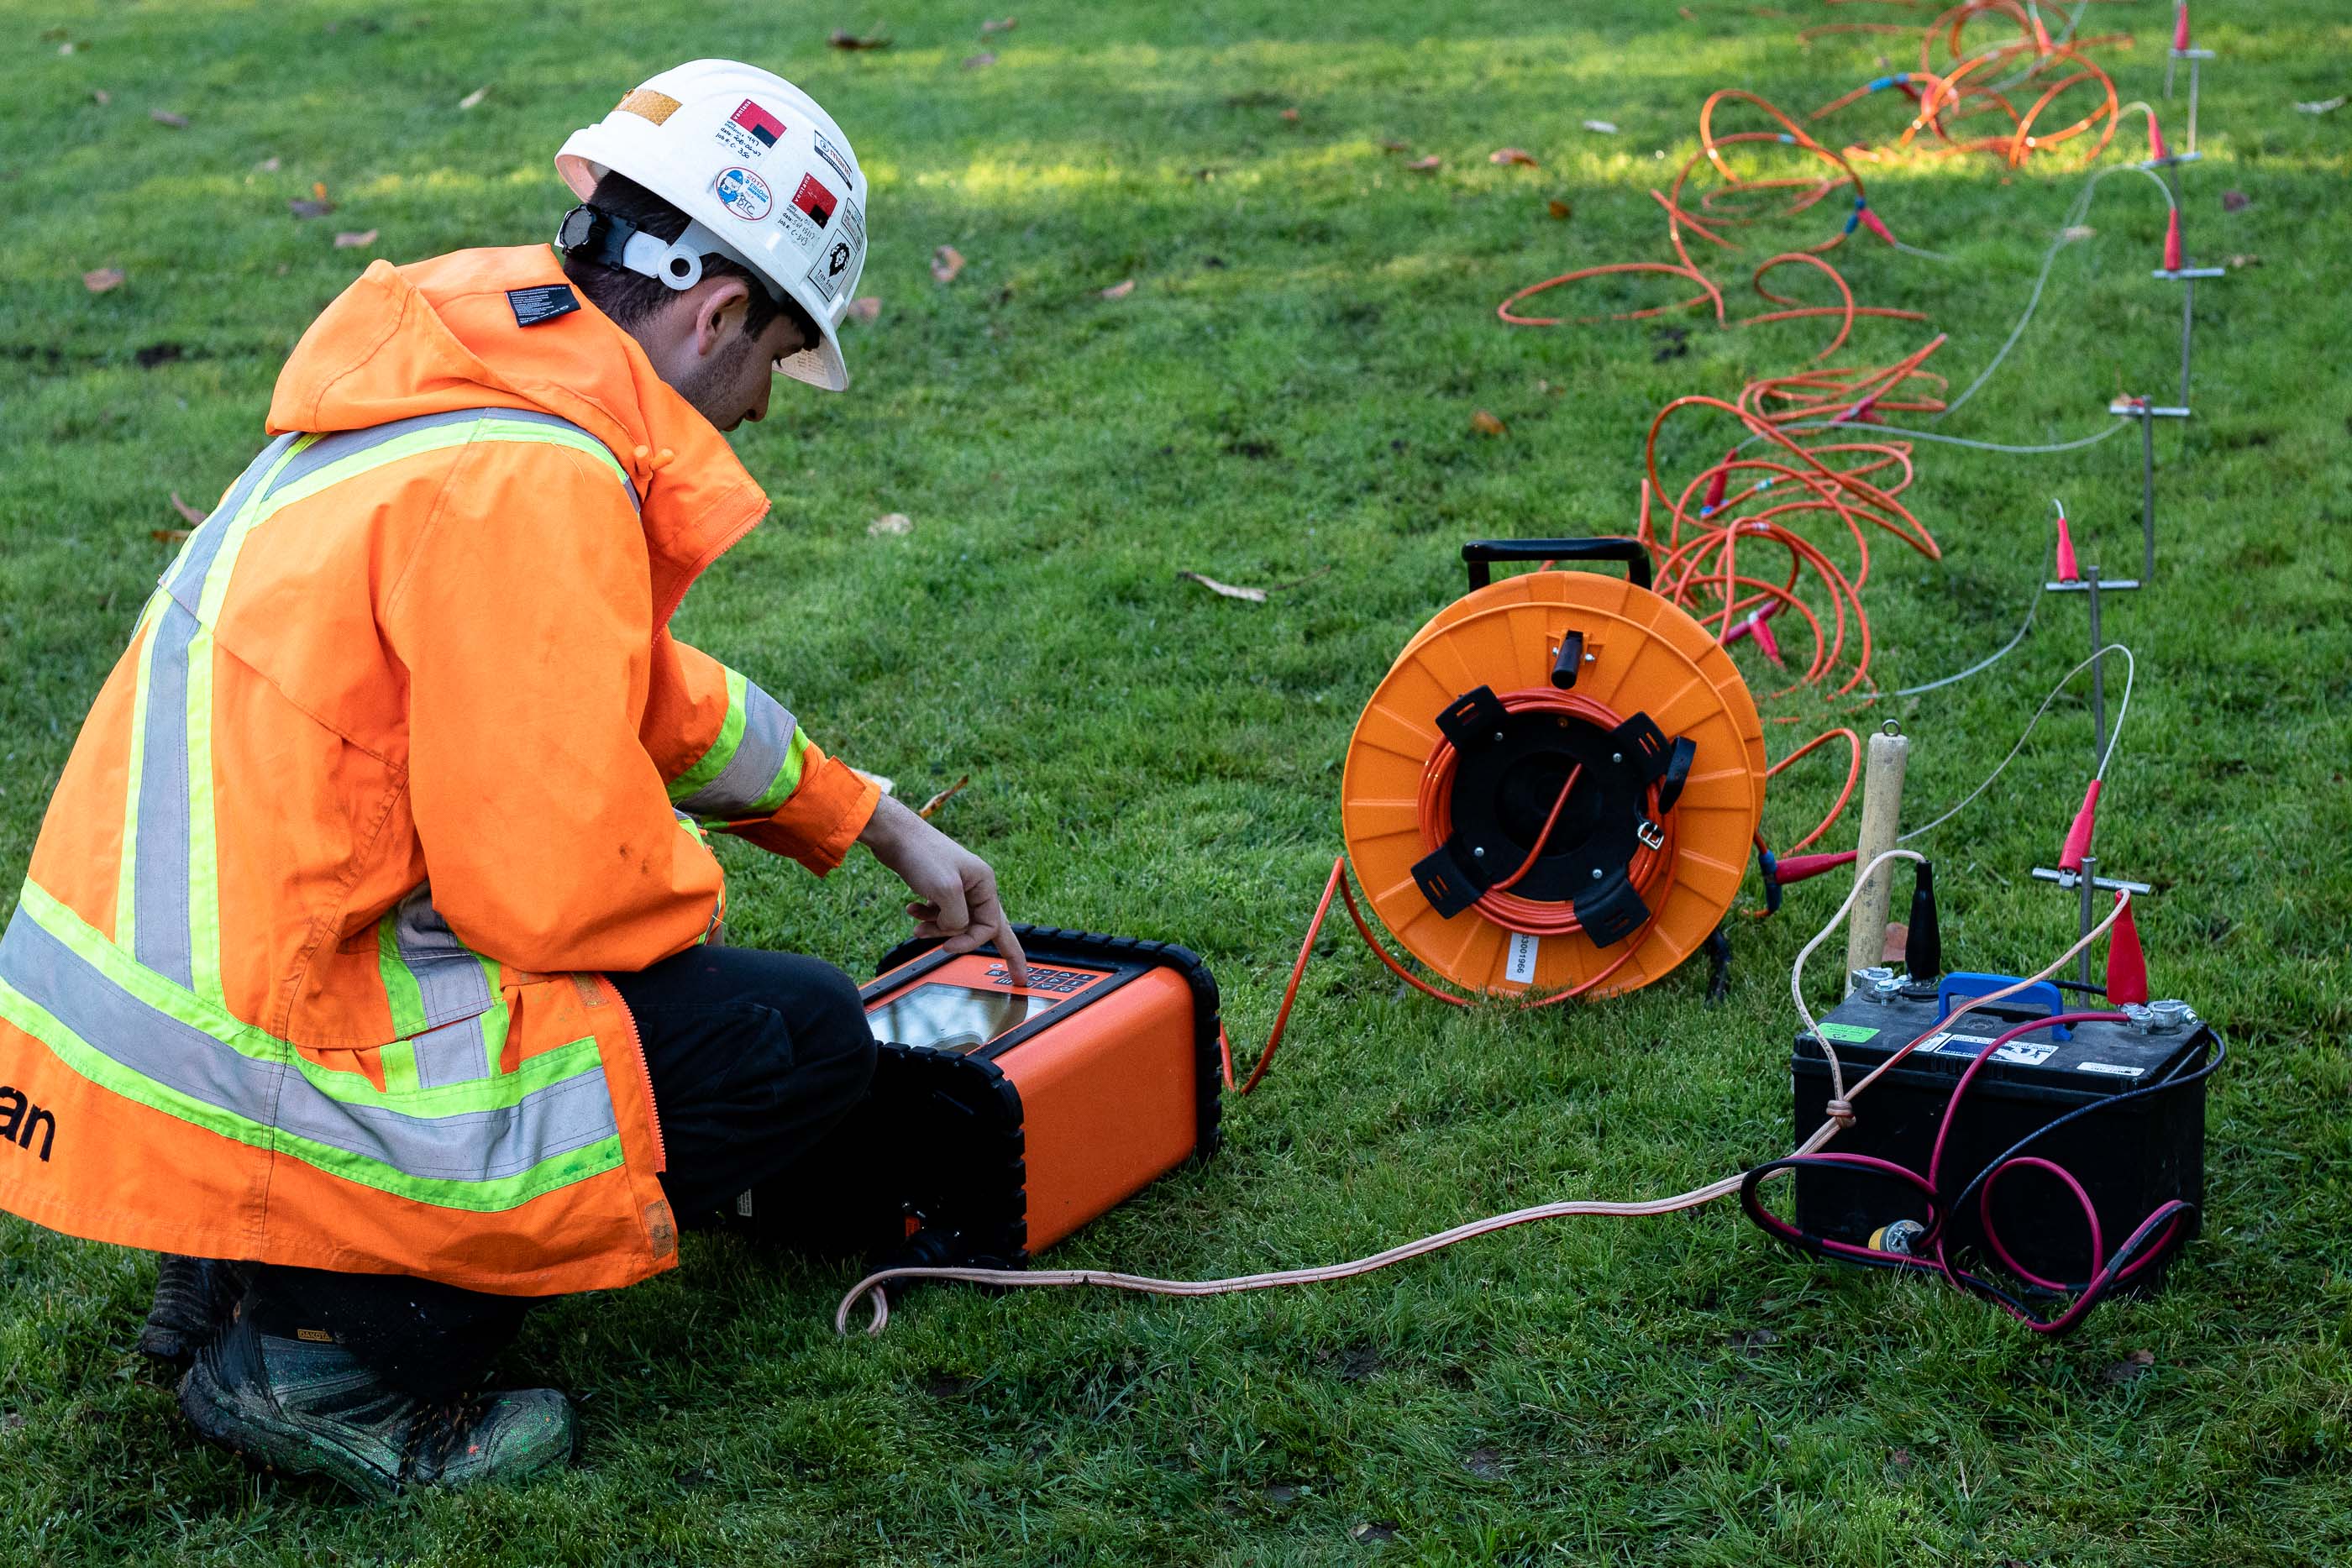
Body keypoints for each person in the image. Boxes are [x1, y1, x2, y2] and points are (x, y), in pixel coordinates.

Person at [0, 59, 1025, 1497]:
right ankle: (329, 1363)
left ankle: (239, 1270)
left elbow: (621, 683)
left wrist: (866, 817)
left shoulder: (464, 391)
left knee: (681, 1004)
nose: (763, 407)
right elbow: (559, 892)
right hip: (276, 1034)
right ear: (718, 310)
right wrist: (700, 940)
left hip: (163, 1040)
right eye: (779, 358)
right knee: (782, 1036)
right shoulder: (535, 483)